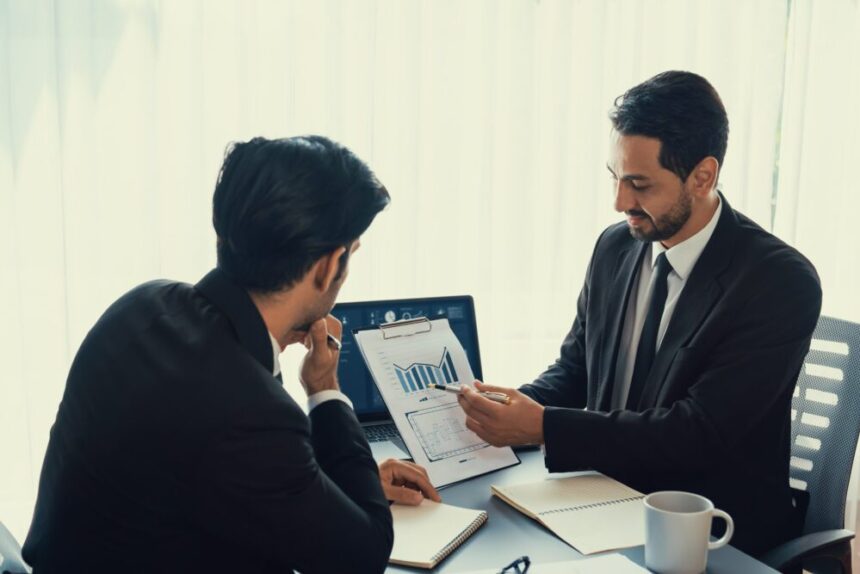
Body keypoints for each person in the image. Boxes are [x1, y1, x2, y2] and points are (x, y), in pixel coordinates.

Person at [23, 136, 440, 573]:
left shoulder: (143, 305)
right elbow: (361, 557)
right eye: (350, 255)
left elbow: (226, 468)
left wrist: (329, 496)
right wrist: (324, 388)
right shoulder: (249, 412)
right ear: (327, 266)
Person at [456, 71, 821, 556]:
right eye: (616, 177)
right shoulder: (616, 247)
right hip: (601, 500)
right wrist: (503, 411)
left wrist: (543, 426)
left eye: (639, 184)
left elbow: (697, 433)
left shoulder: (777, 281)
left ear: (703, 176)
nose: (620, 202)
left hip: (708, 529)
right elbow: (577, 369)